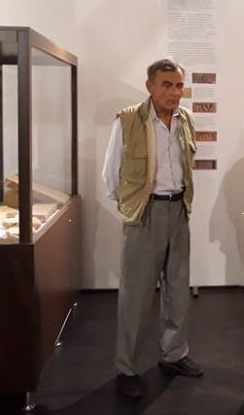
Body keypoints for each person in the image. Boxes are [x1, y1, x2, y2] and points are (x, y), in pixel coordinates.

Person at [102, 58, 201, 398]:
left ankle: (174, 355)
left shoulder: (186, 119)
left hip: (179, 211)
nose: (174, 92)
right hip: (146, 213)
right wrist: (132, 207)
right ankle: (127, 368)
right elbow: (110, 174)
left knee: (178, 289)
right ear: (150, 86)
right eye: (167, 85)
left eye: (179, 85)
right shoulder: (128, 120)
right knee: (136, 295)